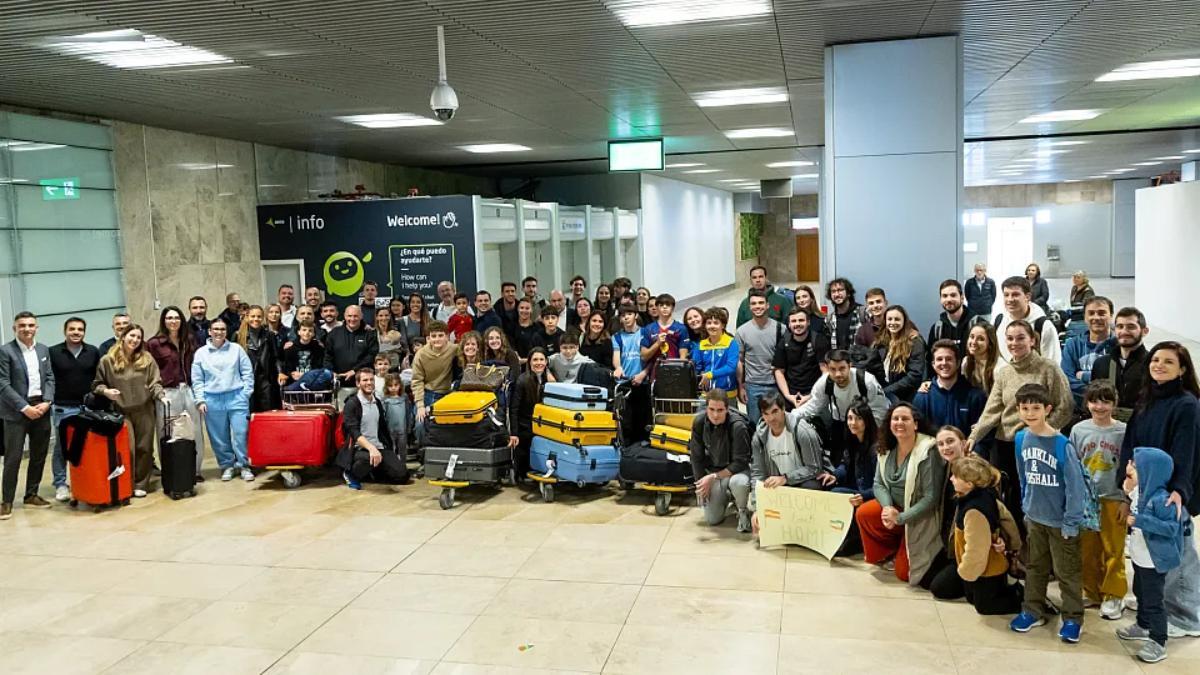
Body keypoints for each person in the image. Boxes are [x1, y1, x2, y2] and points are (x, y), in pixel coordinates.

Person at [1115, 341, 1200, 639]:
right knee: (1150, 554)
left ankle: (1188, 617)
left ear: (1182, 370)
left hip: (1170, 494)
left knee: (1178, 556)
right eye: (1155, 360)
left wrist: (1179, 491)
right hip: (1143, 489)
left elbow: (1187, 451)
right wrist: (1125, 483)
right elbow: (1130, 443)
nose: (1159, 365)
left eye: (1168, 362)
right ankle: (1154, 611)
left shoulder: (1187, 404)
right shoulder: (1147, 399)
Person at [967, 320, 1073, 529]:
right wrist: (974, 437)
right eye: (1010, 338)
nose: (1014, 343)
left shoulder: (1048, 368)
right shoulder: (1005, 373)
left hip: (1038, 445)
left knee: (1036, 498)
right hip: (1006, 445)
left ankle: (1038, 543)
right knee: (1010, 499)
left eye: (1020, 338)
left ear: (1032, 340)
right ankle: (1016, 544)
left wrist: (1040, 432)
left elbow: (1065, 406)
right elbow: (992, 410)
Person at [1009, 383, 1086, 643]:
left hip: (1061, 522)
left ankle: (1073, 617)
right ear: (1018, 410)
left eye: (1036, 408)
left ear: (1048, 409)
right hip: (1034, 517)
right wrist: (1026, 506)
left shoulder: (1062, 445)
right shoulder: (1021, 438)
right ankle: (1032, 610)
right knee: (1035, 567)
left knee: (1067, 572)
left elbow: (1075, 487)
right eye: (1025, 408)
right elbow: (1022, 475)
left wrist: (1071, 522)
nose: (1030, 413)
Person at [855, 403, 946, 585]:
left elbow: (931, 498)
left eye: (905, 419)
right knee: (864, 513)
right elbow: (878, 484)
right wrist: (888, 508)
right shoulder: (886, 447)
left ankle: (905, 548)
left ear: (916, 424)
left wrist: (901, 518)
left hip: (920, 516)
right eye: (895, 419)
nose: (899, 422)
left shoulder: (928, 450)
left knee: (905, 573)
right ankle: (892, 551)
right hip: (896, 510)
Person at [1116, 447, 1185, 663]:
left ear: (1151, 472)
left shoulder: (1162, 500)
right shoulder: (1140, 493)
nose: (1129, 467)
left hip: (1152, 561)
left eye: (1135, 466)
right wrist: (1127, 488)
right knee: (1140, 592)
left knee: (1154, 601)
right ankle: (1143, 624)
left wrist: (1141, 521)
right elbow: (1130, 492)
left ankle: (1158, 641)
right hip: (1139, 557)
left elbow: (1171, 528)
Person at [1070, 381, 1129, 620]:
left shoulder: (1124, 431)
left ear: (1114, 404)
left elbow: (1130, 468)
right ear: (1087, 403)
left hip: (1113, 498)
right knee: (1088, 550)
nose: (1100, 407)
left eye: (1106, 401)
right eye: (1094, 401)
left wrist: (1126, 500)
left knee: (1113, 549)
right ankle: (1091, 591)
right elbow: (1073, 466)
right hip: (1087, 501)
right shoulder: (1078, 430)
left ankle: (1113, 593)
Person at [92, 324, 165, 497]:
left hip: (144, 410)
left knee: (144, 448)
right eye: (132, 336)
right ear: (123, 336)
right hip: (121, 411)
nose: (135, 340)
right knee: (128, 449)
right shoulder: (107, 360)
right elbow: (97, 384)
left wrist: (161, 395)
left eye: (138, 337)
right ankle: (126, 483)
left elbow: (155, 382)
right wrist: (106, 391)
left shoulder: (146, 358)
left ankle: (141, 483)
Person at [946, 455, 1025, 615]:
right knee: (970, 596)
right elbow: (1007, 520)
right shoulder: (983, 494)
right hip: (983, 565)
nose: (951, 479)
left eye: (955, 476)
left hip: (988, 569)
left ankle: (1022, 598)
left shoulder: (974, 511)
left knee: (985, 606)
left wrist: (966, 571)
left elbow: (976, 549)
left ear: (969, 484)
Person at [0, 312, 55, 519]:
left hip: (41, 407)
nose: (27, 329)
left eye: (31, 325)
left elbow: (49, 378)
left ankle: (31, 494)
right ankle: (6, 501)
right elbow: (3, 383)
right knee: (13, 458)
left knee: (39, 454)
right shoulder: (5, 351)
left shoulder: (43, 350)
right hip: (16, 411)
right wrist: (24, 407)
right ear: (15, 328)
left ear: (36, 328)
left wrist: (47, 401)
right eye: (22, 325)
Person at [797, 350, 891, 467]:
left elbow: (881, 411)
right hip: (841, 423)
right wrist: (791, 416)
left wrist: (865, 433)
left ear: (850, 366)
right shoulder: (824, 383)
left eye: (842, 368)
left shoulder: (867, 381)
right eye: (833, 369)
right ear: (827, 368)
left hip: (867, 425)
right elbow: (813, 406)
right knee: (839, 465)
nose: (838, 374)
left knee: (866, 462)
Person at [147, 306, 206, 483]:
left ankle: (194, 470)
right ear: (163, 321)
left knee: (195, 430)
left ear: (181, 320)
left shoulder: (189, 339)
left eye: (176, 318)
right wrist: (158, 392)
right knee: (167, 432)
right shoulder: (154, 344)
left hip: (189, 389)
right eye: (169, 318)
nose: (173, 321)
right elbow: (151, 371)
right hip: (167, 392)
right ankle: (170, 471)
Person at [191, 318, 254, 482]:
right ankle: (227, 465)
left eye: (222, 329)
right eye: (216, 329)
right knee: (219, 437)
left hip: (236, 396)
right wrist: (200, 400)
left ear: (226, 332)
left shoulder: (237, 349)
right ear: (210, 331)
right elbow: (197, 379)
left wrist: (246, 393)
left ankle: (244, 465)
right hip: (212, 399)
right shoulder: (201, 353)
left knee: (241, 433)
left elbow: (247, 372)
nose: (219, 332)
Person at [48, 317, 101, 502]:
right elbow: (48, 378)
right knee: (61, 447)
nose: (76, 332)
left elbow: (98, 378)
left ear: (84, 332)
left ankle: (82, 481)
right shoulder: (53, 352)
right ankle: (60, 483)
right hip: (63, 407)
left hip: (87, 408)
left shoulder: (92, 351)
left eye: (80, 329)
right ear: (65, 331)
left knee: (86, 446)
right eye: (72, 329)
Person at [689, 389, 753, 531]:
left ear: (727, 409)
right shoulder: (699, 422)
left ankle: (742, 510)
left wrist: (714, 477)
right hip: (714, 470)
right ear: (706, 408)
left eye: (720, 410)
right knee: (712, 519)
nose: (715, 415)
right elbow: (696, 457)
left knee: (739, 483)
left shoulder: (738, 426)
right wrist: (700, 484)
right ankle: (728, 496)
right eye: (711, 409)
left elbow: (740, 462)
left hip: (737, 471)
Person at [336, 368, 409, 489]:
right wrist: (371, 448)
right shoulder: (352, 404)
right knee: (367, 459)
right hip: (358, 449)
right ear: (358, 383)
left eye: (371, 380)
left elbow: (383, 428)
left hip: (378, 446)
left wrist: (389, 450)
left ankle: (373, 472)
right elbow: (354, 432)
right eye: (365, 380)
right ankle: (350, 473)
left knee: (402, 475)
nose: (369, 383)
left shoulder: (377, 403)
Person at [1091, 306, 1150, 422]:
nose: (1124, 331)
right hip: (1106, 428)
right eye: (1120, 326)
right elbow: (1093, 399)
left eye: (1131, 327)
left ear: (1144, 331)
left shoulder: (1153, 365)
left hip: (1143, 428)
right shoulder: (1101, 364)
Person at [913, 340, 986, 432]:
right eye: (939, 359)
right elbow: (918, 434)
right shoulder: (922, 398)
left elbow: (981, 435)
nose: (944, 363)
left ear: (958, 363)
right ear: (933, 364)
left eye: (949, 359)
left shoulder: (976, 397)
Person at [736, 290, 782, 428]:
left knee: (776, 424)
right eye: (754, 303)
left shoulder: (780, 329)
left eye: (761, 303)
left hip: (775, 385)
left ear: (767, 305)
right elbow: (740, 361)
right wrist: (741, 387)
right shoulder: (742, 331)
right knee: (755, 426)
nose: (758, 306)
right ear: (749, 307)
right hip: (752, 386)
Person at [1062, 296, 1116, 409]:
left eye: (1101, 313)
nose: (1096, 317)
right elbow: (1067, 380)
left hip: (1111, 409)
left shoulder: (1119, 346)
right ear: (1085, 317)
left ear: (1111, 316)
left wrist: (1084, 376)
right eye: (1091, 313)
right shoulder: (1072, 345)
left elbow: (1118, 381)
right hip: (1079, 409)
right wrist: (1100, 393)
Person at [994, 276, 1061, 365]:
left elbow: (1053, 364)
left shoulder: (1043, 326)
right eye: (1006, 295)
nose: (1010, 299)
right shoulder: (999, 321)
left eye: (1015, 294)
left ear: (1027, 297)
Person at [772, 306, 830, 408]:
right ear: (789, 324)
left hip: (815, 394)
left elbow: (826, 372)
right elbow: (779, 371)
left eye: (801, 320)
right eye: (793, 321)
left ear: (808, 322)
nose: (797, 324)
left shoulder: (819, 340)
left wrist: (810, 396)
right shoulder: (784, 342)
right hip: (790, 395)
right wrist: (788, 396)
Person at [323, 305, 379, 407]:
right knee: (342, 414)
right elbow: (328, 356)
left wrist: (354, 371)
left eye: (355, 316)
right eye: (349, 316)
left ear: (361, 316)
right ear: (344, 316)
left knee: (365, 413)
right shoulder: (334, 334)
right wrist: (332, 373)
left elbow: (371, 356)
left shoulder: (369, 334)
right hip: (340, 386)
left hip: (363, 385)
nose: (352, 319)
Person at [612, 303, 651, 444]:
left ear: (636, 315)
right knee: (626, 421)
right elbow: (616, 357)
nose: (626, 317)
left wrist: (643, 374)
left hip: (642, 381)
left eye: (629, 314)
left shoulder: (645, 333)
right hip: (625, 383)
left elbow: (651, 358)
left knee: (643, 419)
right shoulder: (617, 337)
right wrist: (618, 368)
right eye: (623, 315)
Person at [411, 320, 457, 436]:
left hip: (448, 395)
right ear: (428, 338)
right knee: (420, 424)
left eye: (441, 335)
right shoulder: (421, 354)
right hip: (428, 394)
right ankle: (421, 447)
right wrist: (420, 405)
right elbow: (417, 381)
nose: (437, 339)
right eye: (434, 336)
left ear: (447, 336)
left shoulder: (454, 349)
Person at [509, 348, 549, 478]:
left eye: (542, 359)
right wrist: (514, 433)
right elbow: (514, 409)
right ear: (529, 362)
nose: (539, 363)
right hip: (525, 426)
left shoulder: (549, 380)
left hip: (542, 425)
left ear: (546, 362)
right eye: (535, 360)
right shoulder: (522, 380)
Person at [873, 305, 926, 402]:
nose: (893, 322)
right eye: (889, 319)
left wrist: (887, 390)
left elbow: (915, 375)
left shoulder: (914, 341)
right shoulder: (881, 340)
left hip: (904, 395)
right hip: (884, 390)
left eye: (897, 319)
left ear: (904, 321)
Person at [236, 305, 281, 413]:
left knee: (267, 413)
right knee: (249, 413)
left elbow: (276, 357)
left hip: (265, 379)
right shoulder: (238, 336)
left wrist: (280, 372)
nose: (256, 319)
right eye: (253, 316)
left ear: (263, 318)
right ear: (247, 317)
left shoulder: (269, 335)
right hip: (246, 380)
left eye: (259, 316)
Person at [639, 293, 690, 381]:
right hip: (655, 375)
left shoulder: (681, 328)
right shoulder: (648, 329)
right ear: (657, 308)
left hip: (675, 374)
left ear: (673, 308)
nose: (665, 307)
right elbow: (644, 356)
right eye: (661, 305)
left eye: (668, 305)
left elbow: (683, 357)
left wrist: (679, 375)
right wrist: (657, 343)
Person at [927, 280, 974, 367]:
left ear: (962, 298)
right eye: (944, 296)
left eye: (953, 295)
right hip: (945, 375)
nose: (948, 299)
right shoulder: (937, 328)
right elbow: (930, 360)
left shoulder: (977, 324)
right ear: (941, 299)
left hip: (973, 375)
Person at [693, 308, 739, 397]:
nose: (712, 326)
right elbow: (696, 366)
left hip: (727, 393)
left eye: (716, 323)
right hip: (706, 393)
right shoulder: (701, 345)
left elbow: (731, 367)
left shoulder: (731, 343)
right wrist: (700, 374)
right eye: (709, 323)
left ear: (723, 325)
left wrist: (710, 375)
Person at [280, 322, 330, 392]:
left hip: (312, 381)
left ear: (313, 334)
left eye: (310, 331)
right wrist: (291, 373)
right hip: (295, 381)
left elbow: (319, 366)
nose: (307, 333)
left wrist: (306, 375)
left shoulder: (318, 348)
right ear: (298, 332)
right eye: (304, 330)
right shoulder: (290, 348)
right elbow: (286, 367)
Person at [825, 277, 868, 351]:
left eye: (840, 290)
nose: (837, 294)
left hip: (860, 357)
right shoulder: (829, 320)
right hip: (838, 357)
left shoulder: (863, 313)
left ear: (848, 293)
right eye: (833, 291)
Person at [963, 323, 1002, 396]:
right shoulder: (965, 362)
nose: (974, 342)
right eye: (972, 337)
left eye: (980, 339)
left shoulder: (1000, 368)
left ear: (990, 344)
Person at [381, 373, 409, 461]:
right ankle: (393, 464)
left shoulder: (404, 398)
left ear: (400, 385)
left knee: (403, 449)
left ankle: (403, 464)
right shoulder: (385, 400)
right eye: (390, 385)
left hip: (402, 429)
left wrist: (409, 427)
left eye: (396, 385)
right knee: (391, 449)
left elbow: (408, 413)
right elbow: (383, 417)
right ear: (386, 387)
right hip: (390, 430)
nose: (393, 388)